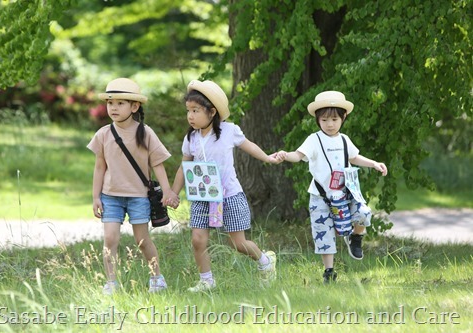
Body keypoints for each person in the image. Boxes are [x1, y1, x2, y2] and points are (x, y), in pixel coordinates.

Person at [170, 79, 281, 292]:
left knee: (238, 243)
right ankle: (206, 280)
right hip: (202, 196)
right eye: (188, 111)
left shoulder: (230, 130)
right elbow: (183, 167)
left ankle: (266, 261)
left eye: (195, 110)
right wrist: (174, 193)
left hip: (229, 195)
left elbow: (249, 146)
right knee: (198, 240)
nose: (190, 116)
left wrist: (268, 158)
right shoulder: (191, 138)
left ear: (212, 112)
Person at [276, 91, 388, 283]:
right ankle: (329, 271)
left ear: (343, 118)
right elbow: (298, 154)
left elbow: (354, 157)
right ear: (318, 120)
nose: (330, 124)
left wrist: (374, 163)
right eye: (325, 119)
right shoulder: (314, 139)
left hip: (345, 192)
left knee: (364, 213)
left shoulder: (344, 139)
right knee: (324, 233)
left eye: (334, 119)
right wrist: (285, 155)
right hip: (321, 196)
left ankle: (356, 237)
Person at [87, 78, 179, 295]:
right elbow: (99, 168)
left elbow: (157, 164)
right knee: (110, 239)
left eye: (120, 103)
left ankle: (157, 278)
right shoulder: (103, 134)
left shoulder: (145, 133)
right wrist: (95, 197)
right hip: (110, 196)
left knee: (142, 240)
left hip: (138, 196)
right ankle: (111, 282)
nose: (114, 108)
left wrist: (167, 191)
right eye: (111, 103)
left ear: (134, 106)